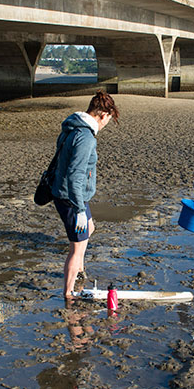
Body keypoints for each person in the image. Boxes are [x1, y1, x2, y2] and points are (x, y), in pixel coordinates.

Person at [50, 91, 119, 299]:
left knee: (89, 227)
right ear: (103, 114)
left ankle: (79, 274)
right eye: (109, 118)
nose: (107, 124)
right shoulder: (85, 137)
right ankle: (68, 294)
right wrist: (79, 209)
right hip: (70, 197)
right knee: (77, 248)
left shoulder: (72, 126)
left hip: (70, 194)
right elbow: (75, 175)